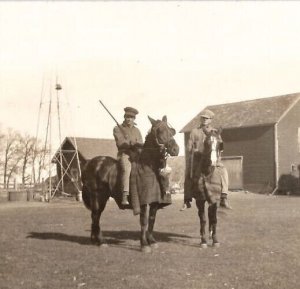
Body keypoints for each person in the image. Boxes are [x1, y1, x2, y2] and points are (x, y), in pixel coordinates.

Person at [181, 109, 232, 210]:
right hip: (197, 159)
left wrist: (218, 152)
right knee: (187, 174)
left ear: (210, 120)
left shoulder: (215, 132)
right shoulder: (194, 131)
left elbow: (220, 146)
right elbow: (189, 147)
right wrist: (193, 149)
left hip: (212, 159)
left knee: (224, 171)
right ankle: (187, 200)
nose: (204, 120)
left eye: (206, 118)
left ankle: (224, 197)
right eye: (202, 118)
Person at [113, 107, 143, 205]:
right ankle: (125, 195)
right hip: (125, 153)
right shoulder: (117, 128)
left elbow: (141, 143)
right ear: (124, 117)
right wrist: (130, 142)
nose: (129, 119)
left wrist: (138, 145)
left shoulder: (137, 130)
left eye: (131, 117)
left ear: (134, 119)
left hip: (137, 154)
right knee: (127, 169)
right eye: (127, 117)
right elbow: (120, 143)